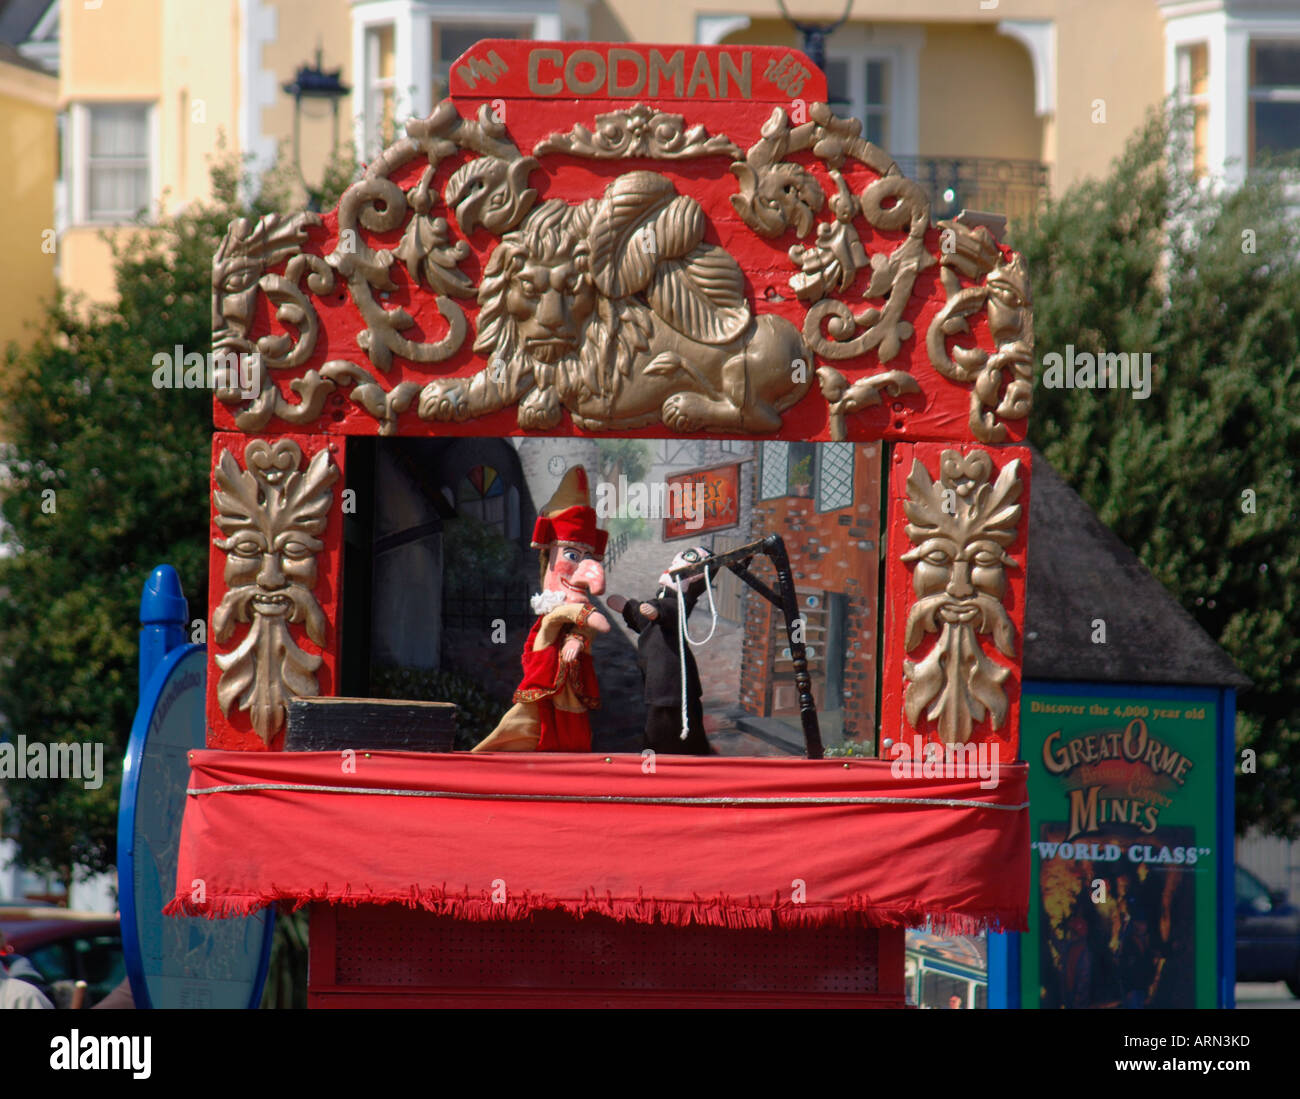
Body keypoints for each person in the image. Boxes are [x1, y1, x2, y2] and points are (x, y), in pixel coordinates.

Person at [473, 466, 610, 753]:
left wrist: (577, 638)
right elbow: (546, 638)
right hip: (544, 691)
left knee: (570, 737)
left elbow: (594, 627)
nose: (579, 568)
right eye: (571, 555)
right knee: (525, 726)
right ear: (549, 555)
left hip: (569, 698)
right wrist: (563, 619)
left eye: (585, 557)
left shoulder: (573, 605)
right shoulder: (553, 607)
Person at [607, 546, 714, 755]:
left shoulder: (679, 603)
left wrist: (656, 611)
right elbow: (645, 623)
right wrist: (629, 608)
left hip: (671, 678)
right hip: (659, 676)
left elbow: (672, 612)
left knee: (669, 725)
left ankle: (680, 758)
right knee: (662, 722)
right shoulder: (665, 599)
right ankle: (673, 755)